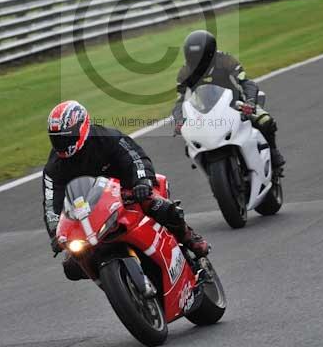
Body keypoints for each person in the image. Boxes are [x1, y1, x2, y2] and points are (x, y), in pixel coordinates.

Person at [43, 100, 209, 281]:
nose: (61, 142)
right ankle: (111, 283)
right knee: (71, 266)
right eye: (56, 137)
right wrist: (55, 233)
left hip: (128, 192)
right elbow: (51, 201)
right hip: (88, 211)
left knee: (158, 205)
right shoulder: (54, 166)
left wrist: (142, 182)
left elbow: (135, 157)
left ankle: (188, 237)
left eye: (66, 137)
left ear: (82, 127)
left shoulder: (107, 138)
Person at [172, 30, 285, 173]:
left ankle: (273, 153)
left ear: (210, 54)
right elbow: (180, 101)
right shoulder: (185, 72)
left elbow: (246, 83)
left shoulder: (225, 60)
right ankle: (211, 173)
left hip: (235, 104)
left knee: (265, 121)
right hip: (204, 112)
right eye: (192, 58)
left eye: (199, 58)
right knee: (190, 146)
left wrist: (250, 102)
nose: (196, 63)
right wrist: (179, 120)